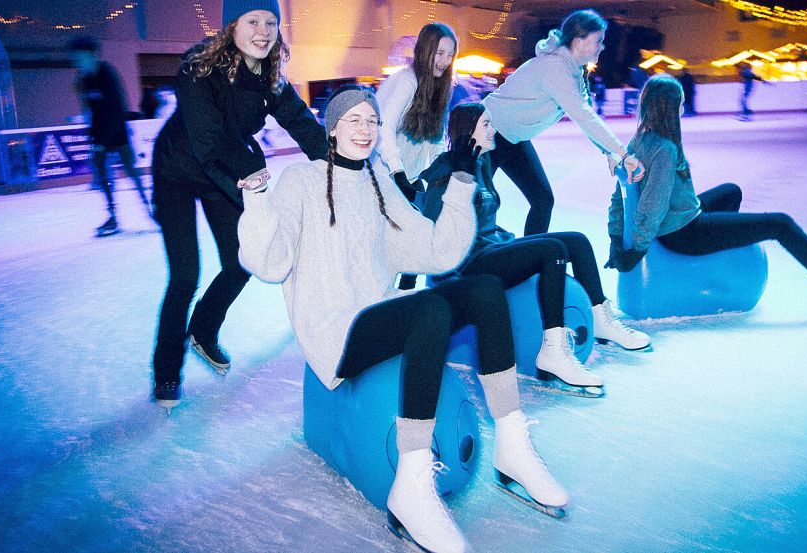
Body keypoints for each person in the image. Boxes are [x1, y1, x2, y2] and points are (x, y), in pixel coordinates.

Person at [238, 86, 568, 553]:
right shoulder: (302, 181)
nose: (364, 129)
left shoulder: (376, 180)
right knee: (430, 309)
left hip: (381, 310)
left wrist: (460, 181)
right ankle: (411, 486)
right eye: (352, 120)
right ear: (331, 128)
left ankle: (513, 444)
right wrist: (255, 199)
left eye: (371, 121)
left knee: (485, 289)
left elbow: (436, 249)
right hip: (337, 331)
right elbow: (269, 265)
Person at [150, 0, 328, 408]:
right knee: (184, 275)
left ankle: (204, 328)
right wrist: (254, 189)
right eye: (253, 21)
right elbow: (209, 144)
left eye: (271, 22)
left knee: (242, 260)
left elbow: (300, 121)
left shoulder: (269, 77)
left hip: (225, 172)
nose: (263, 31)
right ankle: (165, 372)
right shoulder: (199, 68)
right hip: (179, 171)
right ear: (232, 26)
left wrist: (340, 161)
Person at [606, 74, 807, 317]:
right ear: (669, 109)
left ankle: (725, 250)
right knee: (779, 224)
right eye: (680, 104)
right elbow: (653, 204)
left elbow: (619, 197)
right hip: (682, 232)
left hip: (679, 217)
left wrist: (616, 237)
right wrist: (633, 250)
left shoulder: (639, 140)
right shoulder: (665, 149)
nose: (683, 109)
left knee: (731, 191)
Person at [420, 102, 651, 394]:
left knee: (577, 241)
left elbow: (485, 218)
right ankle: (553, 350)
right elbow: (432, 227)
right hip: (468, 263)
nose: (494, 130)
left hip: (491, 248)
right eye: (487, 125)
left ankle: (601, 318)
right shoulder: (448, 169)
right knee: (552, 250)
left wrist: (507, 239)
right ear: (468, 133)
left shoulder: (482, 162)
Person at [482, 9, 644, 236]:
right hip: (485, 134)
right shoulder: (555, 68)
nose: (602, 46)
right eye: (598, 41)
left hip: (512, 137)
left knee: (542, 200)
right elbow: (582, 114)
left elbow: (587, 113)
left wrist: (609, 151)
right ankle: (459, 266)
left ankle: (531, 258)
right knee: (478, 206)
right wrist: (624, 154)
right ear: (578, 41)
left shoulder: (575, 71)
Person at [376, 23, 458, 290]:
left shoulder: (439, 87)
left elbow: (434, 140)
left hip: (410, 178)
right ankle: (381, 303)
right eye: (439, 53)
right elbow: (383, 128)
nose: (445, 61)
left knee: (416, 240)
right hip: (383, 175)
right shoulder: (405, 80)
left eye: (450, 54)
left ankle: (404, 299)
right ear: (425, 50)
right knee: (392, 244)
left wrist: (439, 173)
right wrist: (398, 173)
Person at [68, 37, 152, 236]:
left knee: (132, 173)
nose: (77, 62)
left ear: (91, 55)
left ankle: (150, 209)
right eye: (76, 59)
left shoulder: (107, 74)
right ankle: (113, 216)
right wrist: (93, 139)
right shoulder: (84, 80)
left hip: (117, 134)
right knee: (103, 176)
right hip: (99, 137)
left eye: (80, 57)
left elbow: (116, 110)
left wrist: (104, 141)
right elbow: (90, 112)